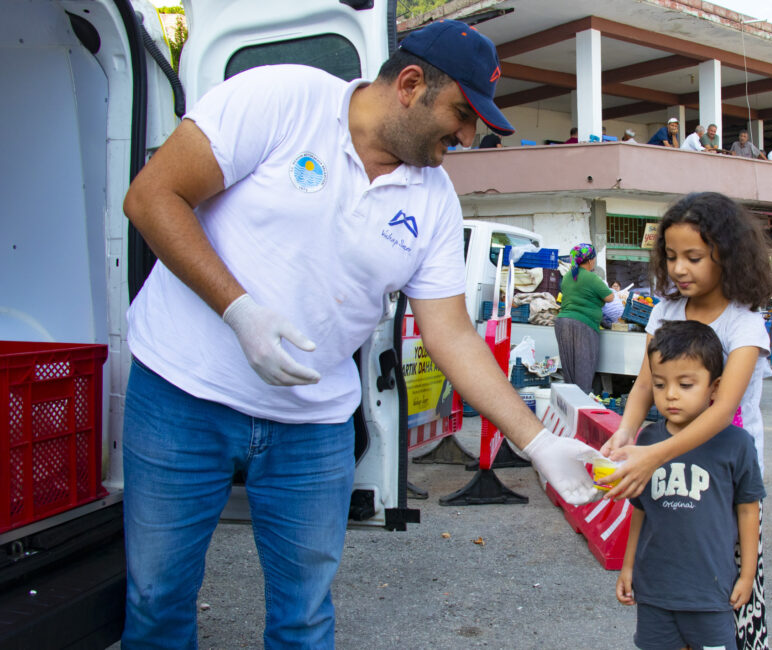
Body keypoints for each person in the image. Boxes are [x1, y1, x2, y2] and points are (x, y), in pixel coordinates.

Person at [120, 19, 598, 647]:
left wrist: (535, 441)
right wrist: (239, 311)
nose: (465, 134)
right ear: (409, 84)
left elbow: (451, 333)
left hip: (312, 426)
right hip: (183, 392)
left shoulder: (433, 201)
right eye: (460, 113)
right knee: (159, 601)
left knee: (305, 616)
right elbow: (153, 197)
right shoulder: (281, 99)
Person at [601, 192, 772, 650]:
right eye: (672, 256)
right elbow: (643, 386)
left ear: (727, 255)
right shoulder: (665, 311)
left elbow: (723, 412)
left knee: (728, 603)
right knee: (669, 589)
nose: (680, 268)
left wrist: (650, 454)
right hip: (670, 475)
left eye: (694, 257)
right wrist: (624, 434)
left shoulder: (744, 324)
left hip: (725, 479)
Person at [616, 320, 765, 650]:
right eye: (659, 384)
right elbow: (640, 512)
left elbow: (748, 511)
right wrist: (628, 567)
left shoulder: (736, 444)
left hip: (711, 594)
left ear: (715, 387)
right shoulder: (648, 441)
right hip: (655, 591)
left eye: (685, 384)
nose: (670, 395)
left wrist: (747, 575)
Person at [555, 243, 614, 393]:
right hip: (583, 325)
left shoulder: (568, 276)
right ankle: (581, 409)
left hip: (563, 323)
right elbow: (610, 297)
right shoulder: (591, 277)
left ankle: (571, 408)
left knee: (570, 373)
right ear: (589, 261)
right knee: (583, 371)